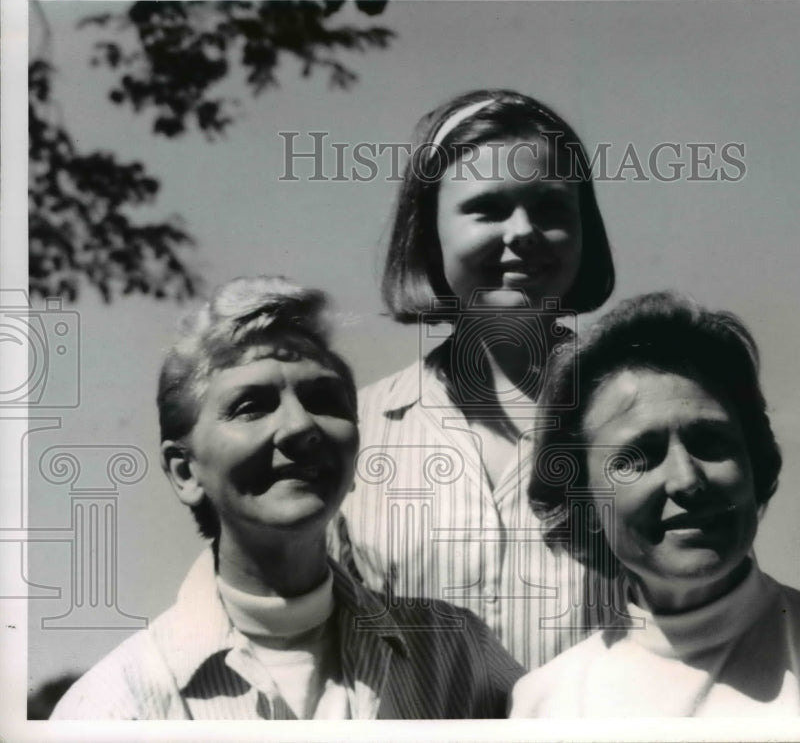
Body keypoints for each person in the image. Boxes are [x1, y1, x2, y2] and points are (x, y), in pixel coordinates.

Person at [51, 276, 523, 720]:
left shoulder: (458, 657)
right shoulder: (119, 703)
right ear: (184, 470)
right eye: (251, 406)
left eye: (325, 401)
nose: (301, 427)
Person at [510, 291, 800, 716]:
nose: (687, 479)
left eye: (710, 441)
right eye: (638, 457)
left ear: (755, 462)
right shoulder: (544, 705)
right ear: (582, 498)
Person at [337, 89, 621, 670]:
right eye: (488, 208)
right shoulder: (357, 430)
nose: (522, 231)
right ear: (428, 231)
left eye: (549, 208)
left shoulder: (637, 412)